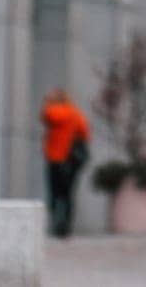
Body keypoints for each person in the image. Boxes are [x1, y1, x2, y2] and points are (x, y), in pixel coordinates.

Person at [39, 88, 90, 238]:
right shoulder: (75, 113)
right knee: (68, 194)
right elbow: (85, 132)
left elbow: (45, 116)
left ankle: (56, 224)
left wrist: (47, 103)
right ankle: (66, 226)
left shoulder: (54, 111)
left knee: (54, 193)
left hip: (56, 158)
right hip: (72, 160)